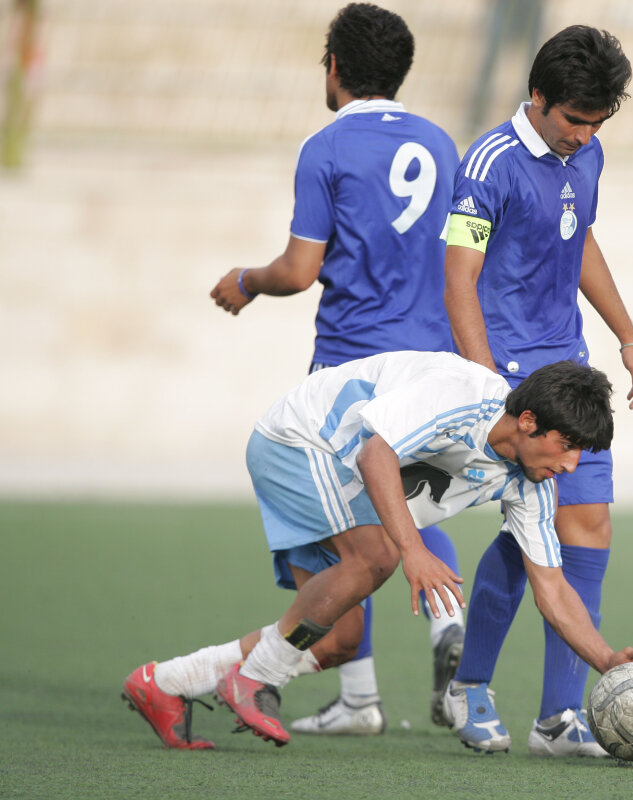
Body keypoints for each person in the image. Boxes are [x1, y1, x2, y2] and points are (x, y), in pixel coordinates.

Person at [120, 352, 633, 750]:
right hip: (301, 443)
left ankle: (165, 682)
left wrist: (605, 660)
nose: (571, 465)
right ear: (529, 421)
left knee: (338, 640)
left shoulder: (532, 484)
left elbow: (551, 589)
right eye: (567, 446)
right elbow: (376, 455)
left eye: (581, 453)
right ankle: (255, 678)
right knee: (376, 558)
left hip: (344, 482)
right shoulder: (462, 396)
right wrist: (412, 550)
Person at [208, 3, 464, 736]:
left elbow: (298, 270)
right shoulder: (441, 143)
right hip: (430, 355)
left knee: (346, 523)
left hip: (351, 359)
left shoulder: (325, 148)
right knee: (408, 505)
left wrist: (247, 281)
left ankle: (359, 695)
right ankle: (439, 631)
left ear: (334, 68)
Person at [440, 25, 633, 757]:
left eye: (597, 123)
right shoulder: (488, 164)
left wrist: (628, 336)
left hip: (570, 369)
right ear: (537, 95)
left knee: (586, 524)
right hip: (507, 379)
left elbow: (580, 237)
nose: (584, 135)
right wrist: (487, 388)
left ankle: (559, 718)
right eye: (574, 120)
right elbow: (459, 279)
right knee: (526, 533)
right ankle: (469, 686)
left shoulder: (587, 152)